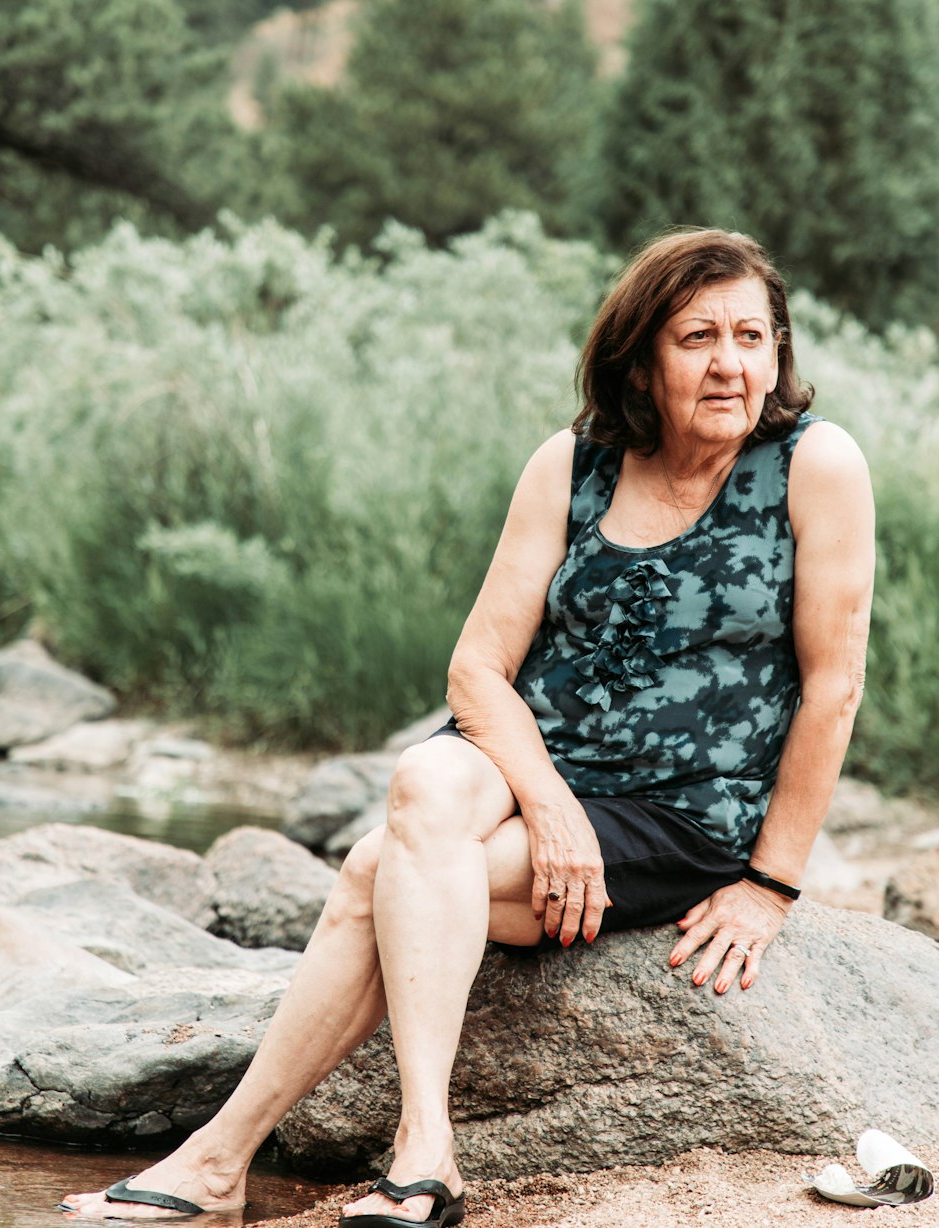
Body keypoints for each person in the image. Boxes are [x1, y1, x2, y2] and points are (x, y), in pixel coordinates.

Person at [60, 228, 875, 1228]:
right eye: (695, 336)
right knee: (425, 784)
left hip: (681, 807)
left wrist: (769, 887)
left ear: (778, 353)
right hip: (539, 768)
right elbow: (477, 669)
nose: (728, 363)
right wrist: (551, 809)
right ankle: (416, 1151)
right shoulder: (572, 464)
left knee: (374, 872)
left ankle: (234, 1158)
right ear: (641, 358)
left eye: (752, 336)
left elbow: (832, 689)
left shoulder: (811, 464)